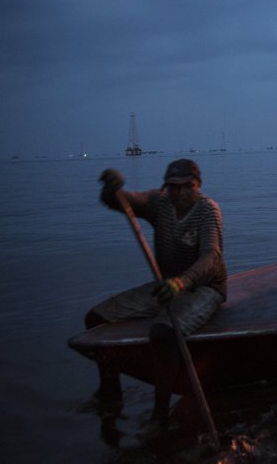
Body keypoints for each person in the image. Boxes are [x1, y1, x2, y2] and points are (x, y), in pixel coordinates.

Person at [85, 158, 226, 432]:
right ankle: (109, 392)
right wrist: (112, 188)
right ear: (166, 187)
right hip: (166, 286)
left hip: (205, 287)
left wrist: (181, 283)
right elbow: (122, 201)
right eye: (174, 187)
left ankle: (159, 415)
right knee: (95, 320)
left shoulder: (208, 210)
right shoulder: (159, 203)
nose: (181, 192)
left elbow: (212, 258)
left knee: (162, 334)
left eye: (188, 186)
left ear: (198, 186)